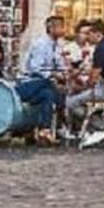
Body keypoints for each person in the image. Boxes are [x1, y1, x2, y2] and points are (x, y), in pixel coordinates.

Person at [17, 15, 70, 144]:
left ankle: (44, 130)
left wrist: (64, 73)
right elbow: (36, 69)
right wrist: (54, 76)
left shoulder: (57, 46)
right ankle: (62, 120)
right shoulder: (41, 44)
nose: (63, 30)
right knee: (50, 84)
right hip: (29, 83)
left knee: (48, 95)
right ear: (50, 28)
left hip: (43, 87)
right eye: (60, 27)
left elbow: (59, 64)